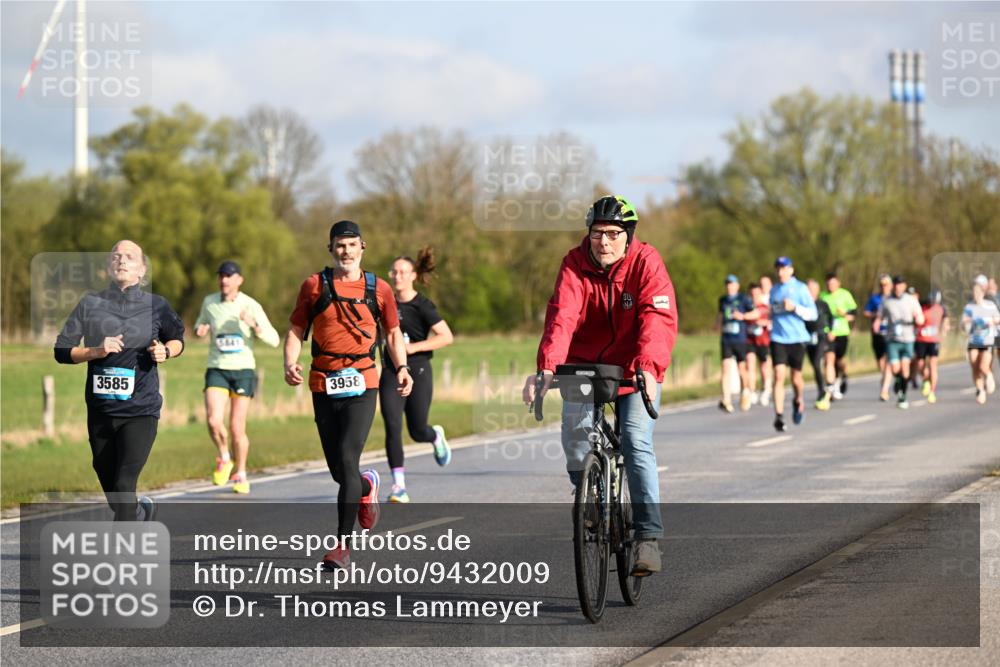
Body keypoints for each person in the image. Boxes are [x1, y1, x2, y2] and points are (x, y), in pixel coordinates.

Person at [522, 195, 677, 576]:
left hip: (635, 367)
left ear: (628, 236)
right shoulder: (574, 265)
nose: (603, 242)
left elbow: (656, 318)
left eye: (612, 234)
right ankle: (589, 497)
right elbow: (562, 316)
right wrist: (547, 369)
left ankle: (647, 538)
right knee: (576, 440)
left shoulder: (646, 263)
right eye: (596, 234)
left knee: (636, 439)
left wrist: (648, 366)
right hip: (585, 365)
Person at [284, 220, 413, 569]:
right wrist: (290, 362)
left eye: (352, 245)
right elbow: (297, 329)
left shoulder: (379, 288)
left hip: (363, 381)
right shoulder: (314, 286)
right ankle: (366, 487)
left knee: (347, 453)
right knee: (339, 469)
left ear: (362, 248)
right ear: (331, 249)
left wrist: (401, 368)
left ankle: (342, 545)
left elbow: (392, 333)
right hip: (323, 382)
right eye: (340, 245)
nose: (346, 251)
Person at [54, 240, 185, 521]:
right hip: (101, 412)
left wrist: (166, 351)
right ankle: (140, 512)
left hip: (140, 411)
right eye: (115, 256)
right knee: (117, 494)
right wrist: (95, 351)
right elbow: (62, 350)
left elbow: (178, 340)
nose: (121, 260)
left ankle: (121, 557)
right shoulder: (91, 304)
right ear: (107, 267)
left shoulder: (157, 305)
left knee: (125, 486)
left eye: (129, 257)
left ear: (142, 270)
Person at [194, 260, 280, 494]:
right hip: (217, 368)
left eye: (229, 276)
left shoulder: (250, 305)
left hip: (243, 371)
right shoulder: (209, 303)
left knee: (236, 428)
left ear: (239, 280)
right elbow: (200, 324)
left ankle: (240, 473)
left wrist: (254, 325)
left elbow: (274, 339)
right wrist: (200, 330)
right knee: (213, 421)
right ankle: (224, 457)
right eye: (221, 275)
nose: (224, 280)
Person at [380, 247, 455, 503]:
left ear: (413, 275)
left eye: (402, 272)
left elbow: (446, 336)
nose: (397, 276)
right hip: (391, 371)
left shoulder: (422, 304)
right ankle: (398, 486)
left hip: (419, 370)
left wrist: (412, 347)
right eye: (394, 271)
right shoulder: (384, 303)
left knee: (417, 430)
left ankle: (435, 436)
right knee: (392, 425)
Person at [768, 257, 817, 432]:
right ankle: (779, 416)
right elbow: (771, 313)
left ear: (791, 270)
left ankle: (798, 400)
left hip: (796, 338)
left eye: (783, 268)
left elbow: (813, 314)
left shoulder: (800, 288)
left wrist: (795, 307)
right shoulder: (773, 290)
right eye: (778, 268)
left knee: (796, 378)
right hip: (778, 338)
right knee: (779, 375)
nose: (780, 272)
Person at [873, 276, 924, 409]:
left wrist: (919, 319)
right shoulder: (886, 300)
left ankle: (903, 395)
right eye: (896, 285)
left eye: (900, 284)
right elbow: (880, 316)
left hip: (907, 338)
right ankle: (898, 380)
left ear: (904, 286)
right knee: (895, 367)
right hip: (892, 338)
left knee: (905, 367)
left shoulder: (910, 300)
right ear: (893, 286)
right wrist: (877, 324)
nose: (897, 287)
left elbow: (919, 315)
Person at [716, 275, 757, 412]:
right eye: (727, 284)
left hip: (740, 338)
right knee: (725, 367)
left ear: (737, 285)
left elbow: (755, 313)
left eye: (732, 284)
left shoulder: (743, 299)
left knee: (741, 368)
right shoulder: (722, 300)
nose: (729, 286)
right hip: (726, 338)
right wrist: (718, 325)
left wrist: (743, 316)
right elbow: (720, 315)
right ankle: (726, 399)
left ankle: (745, 392)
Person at [818, 272, 858, 401]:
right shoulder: (823, 296)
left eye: (833, 283)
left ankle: (844, 374)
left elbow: (854, 312)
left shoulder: (845, 294)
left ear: (838, 284)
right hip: (827, 333)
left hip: (842, 332)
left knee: (839, 360)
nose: (831, 286)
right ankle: (831, 386)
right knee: (829, 360)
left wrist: (845, 313)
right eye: (829, 284)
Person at [962, 278, 1000, 405]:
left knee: (983, 366)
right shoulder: (969, 307)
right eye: (974, 294)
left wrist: (991, 321)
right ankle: (980, 389)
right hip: (974, 340)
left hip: (987, 340)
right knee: (974, 366)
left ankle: (989, 376)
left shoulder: (990, 305)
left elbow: (998, 318)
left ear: (983, 293)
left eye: (978, 294)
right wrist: (966, 323)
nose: (976, 296)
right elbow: (963, 324)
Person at [914, 288, 948, 404]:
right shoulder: (922, 306)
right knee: (920, 365)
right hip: (921, 339)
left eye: (934, 301)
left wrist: (944, 331)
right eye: (931, 301)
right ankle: (926, 380)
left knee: (933, 365)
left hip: (934, 340)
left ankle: (932, 392)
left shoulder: (942, 309)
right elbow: (915, 318)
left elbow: (946, 321)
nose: (932, 303)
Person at [863, 274, 893, 401]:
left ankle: (885, 389)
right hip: (877, 334)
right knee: (880, 361)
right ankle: (885, 378)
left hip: (891, 334)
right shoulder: (874, 298)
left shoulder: (894, 298)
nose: (884, 287)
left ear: (890, 285)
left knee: (889, 360)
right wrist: (875, 315)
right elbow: (865, 312)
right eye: (882, 285)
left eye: (886, 284)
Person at [806, 279, 834, 409]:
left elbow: (831, 318)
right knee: (814, 365)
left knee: (817, 362)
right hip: (808, 337)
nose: (810, 291)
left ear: (817, 290)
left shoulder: (823, 304)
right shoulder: (803, 304)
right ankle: (821, 389)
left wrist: (831, 331)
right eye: (808, 288)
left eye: (812, 288)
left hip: (821, 335)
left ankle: (823, 391)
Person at [745, 282, 772, 406]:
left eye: (757, 294)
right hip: (750, 339)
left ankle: (765, 390)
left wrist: (764, 322)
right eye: (752, 294)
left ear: (761, 294)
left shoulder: (764, 307)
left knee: (763, 366)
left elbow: (768, 319)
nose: (754, 296)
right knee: (750, 364)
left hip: (763, 340)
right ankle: (752, 391)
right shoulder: (746, 307)